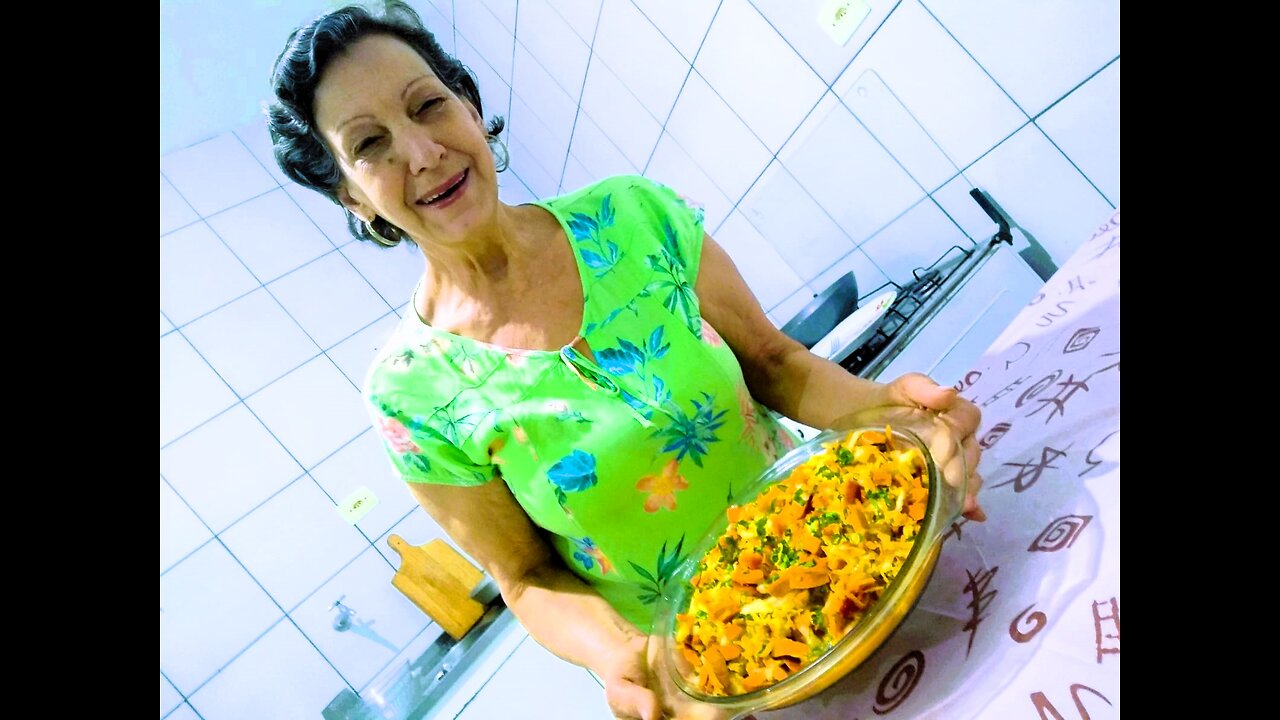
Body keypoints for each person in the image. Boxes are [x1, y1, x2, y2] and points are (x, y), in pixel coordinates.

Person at [268, 3, 986, 718]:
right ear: (351, 196)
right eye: (369, 146)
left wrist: (895, 414)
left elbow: (774, 362)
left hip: (852, 553)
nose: (422, 154)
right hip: (720, 673)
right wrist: (621, 654)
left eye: (428, 105)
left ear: (469, 106)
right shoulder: (410, 394)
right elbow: (523, 575)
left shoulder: (630, 215)